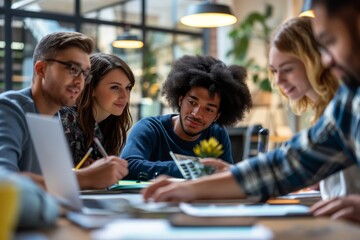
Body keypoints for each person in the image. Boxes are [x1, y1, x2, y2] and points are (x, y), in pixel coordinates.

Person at [142, 0, 360, 224]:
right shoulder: (348, 101)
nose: (327, 60)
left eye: (331, 42)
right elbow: (286, 165)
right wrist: (192, 188)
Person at [0, 32, 128, 190]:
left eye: (85, 73)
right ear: (41, 69)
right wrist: (85, 177)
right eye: (73, 69)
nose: (80, 81)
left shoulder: (54, 120)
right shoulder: (8, 108)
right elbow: (4, 181)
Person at [268, 16, 360, 200]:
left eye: (287, 69)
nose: (278, 80)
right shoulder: (324, 114)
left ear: (314, 61)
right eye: (274, 70)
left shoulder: (348, 109)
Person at [121, 55, 252, 180]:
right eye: (192, 102)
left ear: (217, 115)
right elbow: (128, 166)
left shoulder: (217, 134)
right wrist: (192, 168)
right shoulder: (150, 128)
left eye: (208, 109)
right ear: (180, 100)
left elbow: (226, 176)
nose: (196, 114)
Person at [60, 53, 134, 167]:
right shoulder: (66, 118)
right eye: (115, 87)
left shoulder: (109, 125)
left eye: (128, 88)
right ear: (91, 88)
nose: (125, 96)